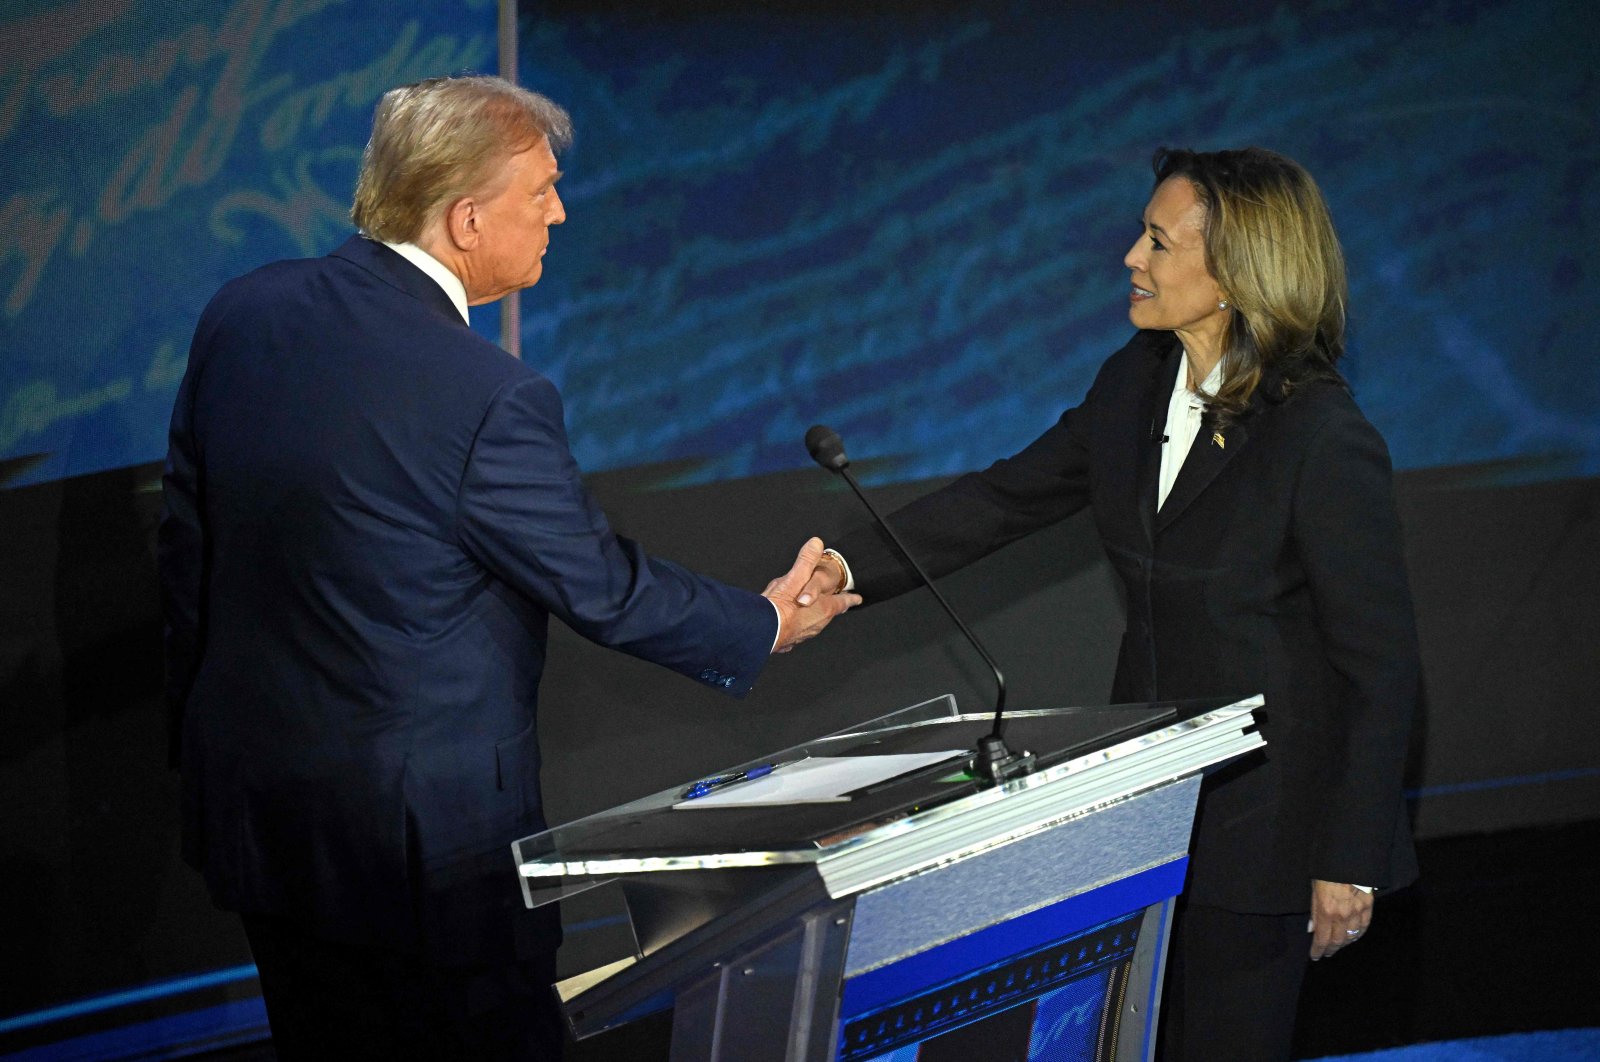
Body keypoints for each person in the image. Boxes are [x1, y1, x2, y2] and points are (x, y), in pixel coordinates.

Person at [158, 75, 858, 1061]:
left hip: (264, 821)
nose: (559, 211)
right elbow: (600, 586)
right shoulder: (486, 396)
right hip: (424, 865)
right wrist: (767, 622)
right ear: (466, 216)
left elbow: (190, 554)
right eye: (542, 191)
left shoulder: (246, 313)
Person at [801, 147, 1419, 1061]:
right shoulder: (1134, 382)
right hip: (1147, 817)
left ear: (1235, 272)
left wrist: (1352, 859)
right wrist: (852, 568)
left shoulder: (1318, 435)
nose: (1132, 257)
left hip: (1271, 834)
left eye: (1159, 242)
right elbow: (1008, 496)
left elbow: (1381, 664)